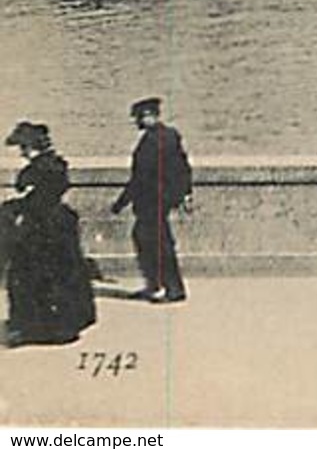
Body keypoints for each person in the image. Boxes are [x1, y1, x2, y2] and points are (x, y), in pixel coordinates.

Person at [3, 122, 97, 347]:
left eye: (24, 148)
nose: (23, 153)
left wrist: (14, 208)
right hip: (58, 226)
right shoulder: (55, 164)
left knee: (30, 275)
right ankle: (64, 324)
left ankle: (37, 327)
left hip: (42, 228)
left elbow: (36, 199)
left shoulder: (38, 168)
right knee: (61, 274)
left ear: (31, 147)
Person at [109, 97, 192, 303]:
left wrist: (120, 203)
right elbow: (183, 168)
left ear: (148, 116)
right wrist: (184, 194)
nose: (136, 122)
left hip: (151, 201)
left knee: (154, 244)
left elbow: (140, 178)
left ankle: (166, 287)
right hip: (162, 199)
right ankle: (163, 286)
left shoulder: (152, 141)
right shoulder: (170, 135)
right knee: (157, 242)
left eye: (138, 118)